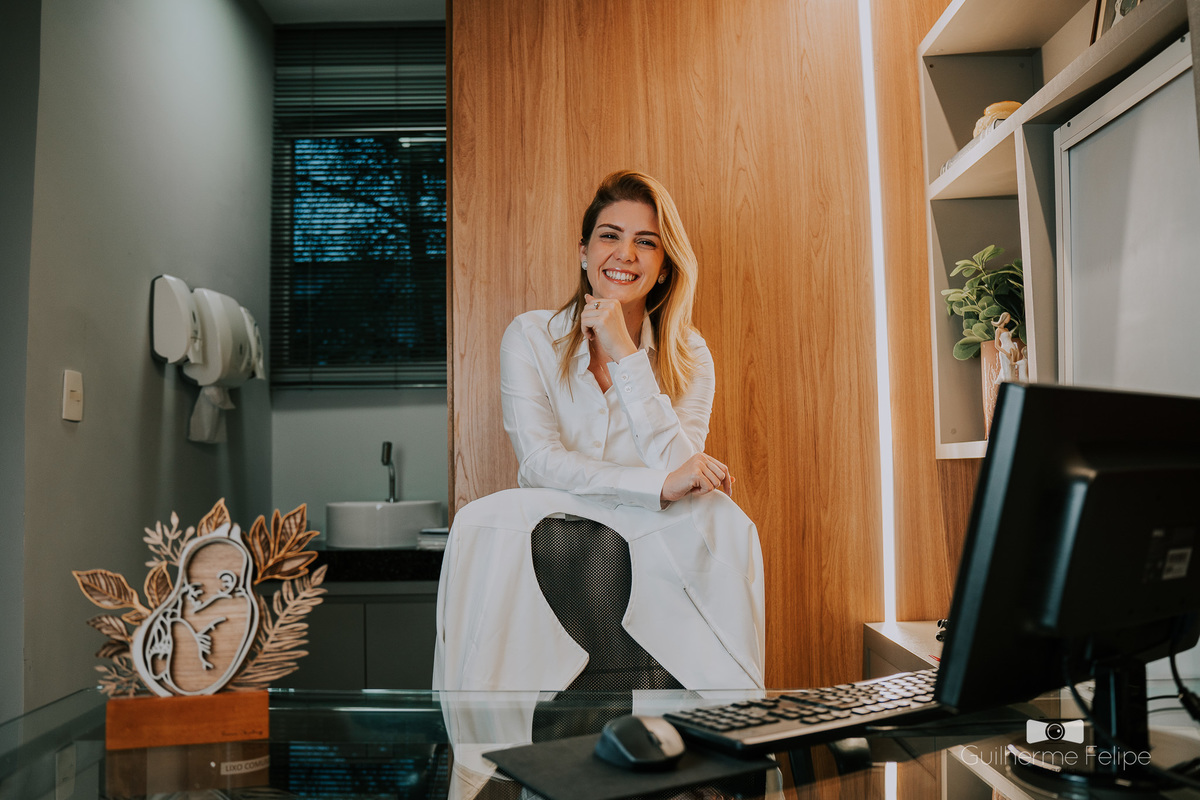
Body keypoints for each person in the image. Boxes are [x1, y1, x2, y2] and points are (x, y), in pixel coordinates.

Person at [434, 171, 764, 693]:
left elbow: (683, 471)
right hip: (554, 554)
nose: (625, 254)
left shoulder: (690, 355)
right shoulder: (530, 336)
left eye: (646, 242)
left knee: (720, 515)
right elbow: (539, 463)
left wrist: (625, 355)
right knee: (484, 520)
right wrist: (654, 486)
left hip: (650, 558)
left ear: (663, 265)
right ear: (584, 252)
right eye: (610, 235)